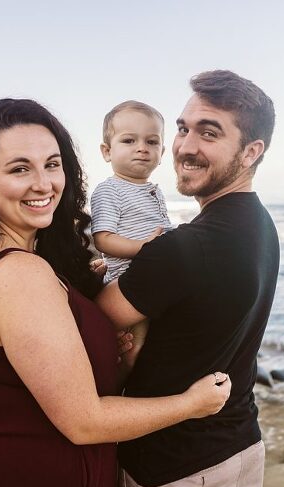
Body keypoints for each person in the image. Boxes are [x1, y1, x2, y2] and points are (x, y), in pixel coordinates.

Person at [0, 98, 232, 487]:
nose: (44, 184)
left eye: (52, 164)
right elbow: (84, 422)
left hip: (2, 476)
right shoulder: (20, 275)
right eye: (19, 168)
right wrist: (192, 404)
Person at [96, 70, 279, 487]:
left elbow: (95, 320)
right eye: (182, 129)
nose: (185, 146)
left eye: (209, 133)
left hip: (174, 470)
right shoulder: (262, 227)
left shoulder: (185, 247)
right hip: (241, 450)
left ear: (251, 151)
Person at [90, 100, 173, 380]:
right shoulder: (109, 190)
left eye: (152, 141)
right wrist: (145, 250)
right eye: (129, 140)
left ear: (162, 152)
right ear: (107, 151)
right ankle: (117, 392)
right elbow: (103, 239)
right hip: (128, 281)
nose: (142, 148)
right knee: (133, 351)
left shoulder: (154, 191)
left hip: (157, 278)